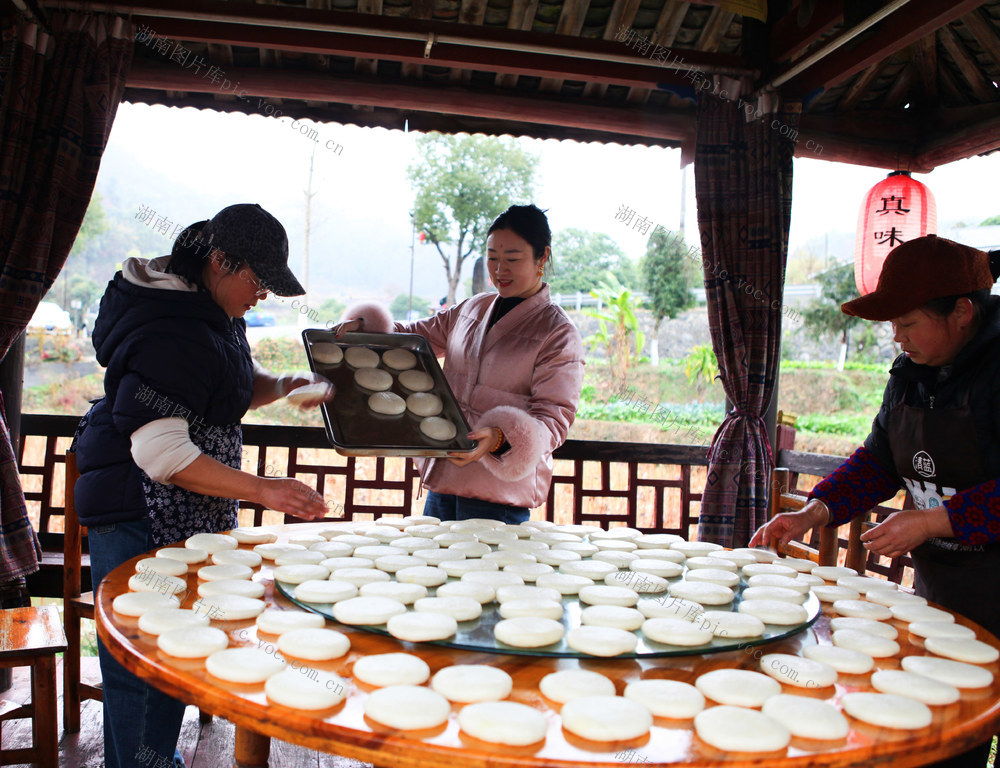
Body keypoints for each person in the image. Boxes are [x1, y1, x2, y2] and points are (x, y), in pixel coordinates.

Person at [73, 204, 332, 768]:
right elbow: (160, 452)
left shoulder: (208, 309)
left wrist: (286, 384)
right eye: (258, 279)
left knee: (176, 655)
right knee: (144, 663)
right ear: (220, 261)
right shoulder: (171, 326)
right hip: (139, 509)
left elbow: (225, 387)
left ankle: (151, 760)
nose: (262, 293)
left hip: (181, 513)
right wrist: (263, 489)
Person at [751, 235, 1000, 768]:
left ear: (961, 311)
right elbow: (878, 462)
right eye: (893, 326)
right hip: (946, 586)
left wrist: (935, 519)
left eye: (907, 324)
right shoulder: (911, 374)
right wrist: (811, 512)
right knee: (943, 722)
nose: (897, 338)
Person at [334, 204, 585, 524]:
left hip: (499, 497)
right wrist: (366, 327)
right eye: (492, 257)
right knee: (431, 572)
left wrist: (498, 440)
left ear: (542, 257)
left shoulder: (557, 333)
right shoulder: (472, 308)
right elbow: (413, 336)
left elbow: (554, 419)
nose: (500, 270)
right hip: (444, 481)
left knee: (489, 575)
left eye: (512, 258)